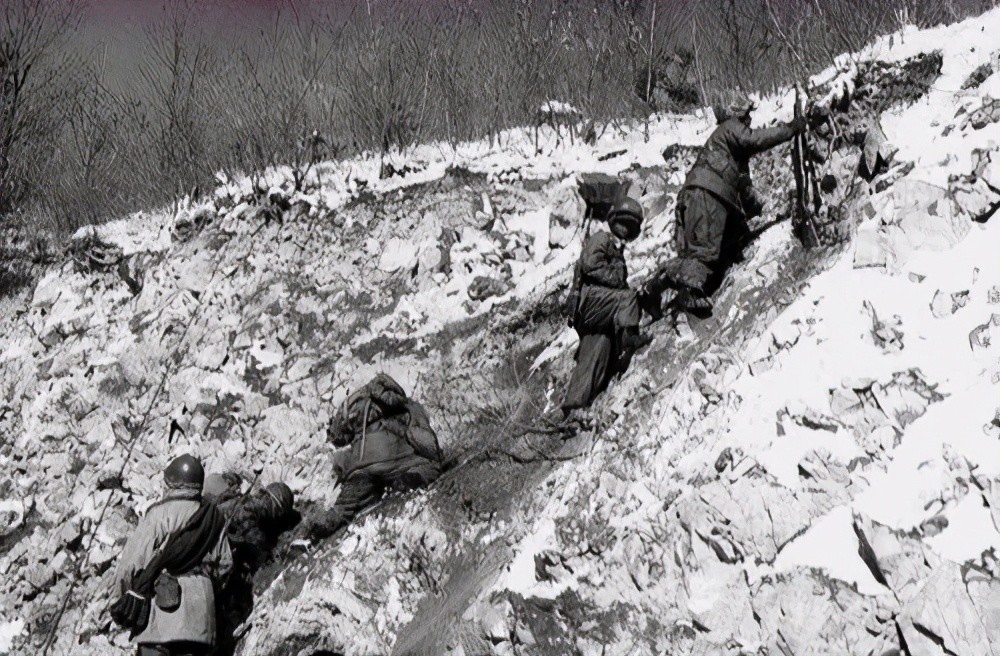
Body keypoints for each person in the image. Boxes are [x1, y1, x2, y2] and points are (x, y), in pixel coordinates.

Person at [649, 93, 806, 314]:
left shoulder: (728, 149)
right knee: (704, 252)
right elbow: (754, 139)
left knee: (711, 248)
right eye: (747, 115)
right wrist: (789, 130)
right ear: (738, 114)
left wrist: (756, 213)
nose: (750, 120)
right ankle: (690, 294)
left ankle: (661, 281)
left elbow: (743, 187)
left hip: (699, 195)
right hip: (708, 194)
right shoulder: (730, 128)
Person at [110, 454, 231, 656]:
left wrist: (121, 602)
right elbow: (225, 565)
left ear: (170, 483)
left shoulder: (158, 515)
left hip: (162, 614)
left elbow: (130, 564)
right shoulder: (213, 517)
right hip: (201, 621)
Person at [307, 374, 443, 540]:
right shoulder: (407, 406)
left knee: (345, 507)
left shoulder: (352, 403)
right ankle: (403, 481)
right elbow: (428, 443)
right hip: (396, 458)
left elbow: (338, 438)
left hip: (362, 462)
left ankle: (314, 533)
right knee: (429, 467)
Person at [561, 197, 655, 415]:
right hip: (589, 301)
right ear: (614, 221)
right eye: (623, 223)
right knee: (627, 297)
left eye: (629, 226)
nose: (625, 229)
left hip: (596, 311)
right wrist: (617, 281)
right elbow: (589, 264)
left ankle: (574, 408)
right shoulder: (601, 238)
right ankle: (629, 336)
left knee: (598, 349)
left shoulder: (616, 250)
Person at [204, 476, 296, 656]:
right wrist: (270, 559)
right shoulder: (251, 506)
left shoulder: (243, 503)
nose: (275, 517)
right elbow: (253, 538)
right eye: (278, 511)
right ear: (273, 502)